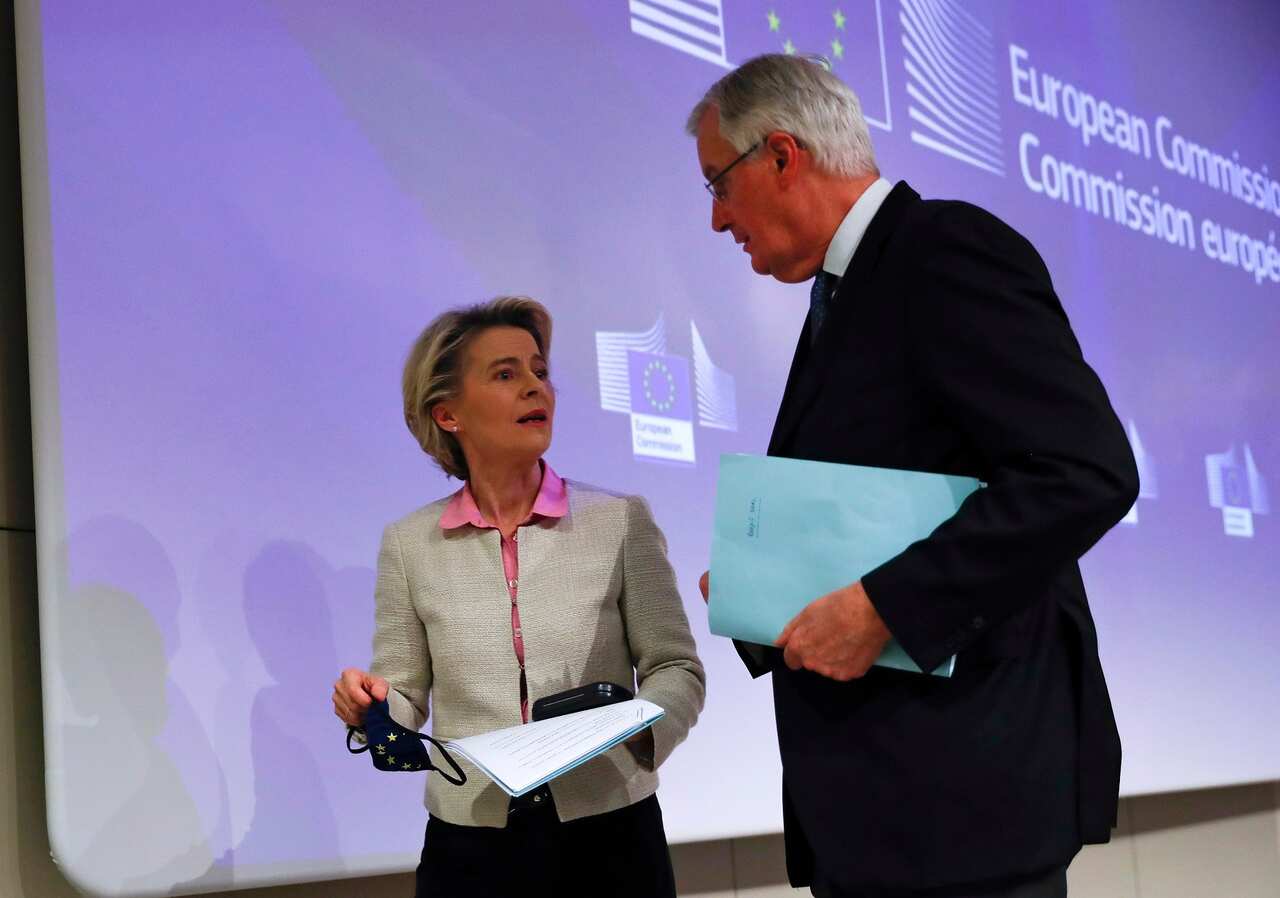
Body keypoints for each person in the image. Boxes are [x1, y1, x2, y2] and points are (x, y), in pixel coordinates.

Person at [687, 55, 1139, 898]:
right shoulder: (845, 294)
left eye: (719, 183)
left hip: (961, 811)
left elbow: (1085, 471)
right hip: (882, 817)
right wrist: (764, 587)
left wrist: (885, 608)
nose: (718, 219)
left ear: (782, 155)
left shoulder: (943, 251)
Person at [332, 296, 704, 898]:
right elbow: (403, 693)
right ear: (447, 413)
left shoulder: (620, 520)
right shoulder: (408, 544)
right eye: (506, 374)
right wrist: (371, 708)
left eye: (539, 371)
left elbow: (675, 667)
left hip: (609, 834)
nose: (536, 387)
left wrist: (638, 733)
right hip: (472, 847)